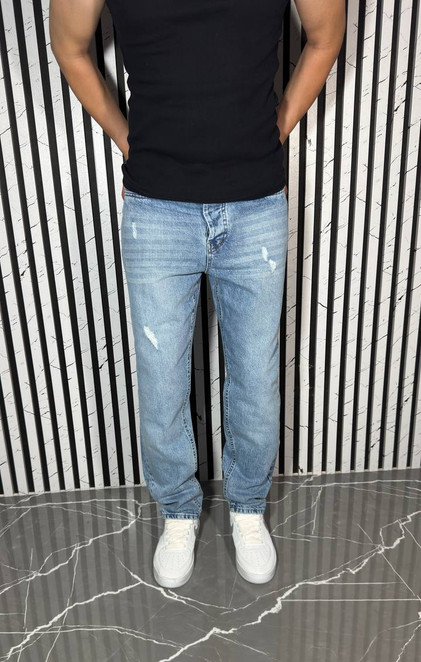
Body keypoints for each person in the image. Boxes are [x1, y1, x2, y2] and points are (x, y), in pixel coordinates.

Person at [49, 0, 345, 589]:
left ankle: (248, 506)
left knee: (255, 374)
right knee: (161, 379)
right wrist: (126, 139)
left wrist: (279, 127)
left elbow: (326, 35)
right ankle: (179, 511)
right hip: (156, 206)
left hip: (255, 202)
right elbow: (69, 45)